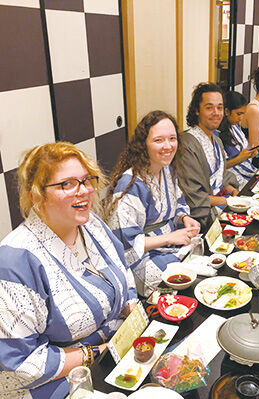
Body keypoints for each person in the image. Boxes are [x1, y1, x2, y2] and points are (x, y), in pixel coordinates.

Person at [0, 142, 137, 399]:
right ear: (36, 195)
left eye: (86, 180)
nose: (84, 191)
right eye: (67, 184)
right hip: (53, 380)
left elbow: (123, 270)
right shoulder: (14, 262)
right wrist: (95, 353)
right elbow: (22, 364)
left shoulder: (91, 224)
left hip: (113, 350)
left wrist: (133, 310)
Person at [103, 110, 200, 297]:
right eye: (158, 140)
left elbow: (178, 202)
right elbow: (124, 243)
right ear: (143, 144)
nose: (168, 146)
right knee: (178, 289)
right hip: (141, 259)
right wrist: (170, 238)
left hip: (170, 243)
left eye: (172, 138)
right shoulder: (129, 185)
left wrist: (184, 217)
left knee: (201, 266)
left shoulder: (167, 170)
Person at [177, 82, 239, 231]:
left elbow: (221, 176)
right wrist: (227, 201)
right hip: (202, 217)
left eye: (219, 107)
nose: (216, 113)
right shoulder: (187, 144)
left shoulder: (216, 140)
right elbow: (192, 194)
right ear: (197, 110)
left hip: (221, 203)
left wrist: (233, 192)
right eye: (209, 107)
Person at [218, 91, 258, 189]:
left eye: (243, 114)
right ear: (227, 111)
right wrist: (240, 158)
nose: (241, 118)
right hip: (231, 177)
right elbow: (218, 167)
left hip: (246, 169)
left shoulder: (235, 126)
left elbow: (244, 146)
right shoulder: (217, 133)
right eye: (238, 114)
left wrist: (251, 152)